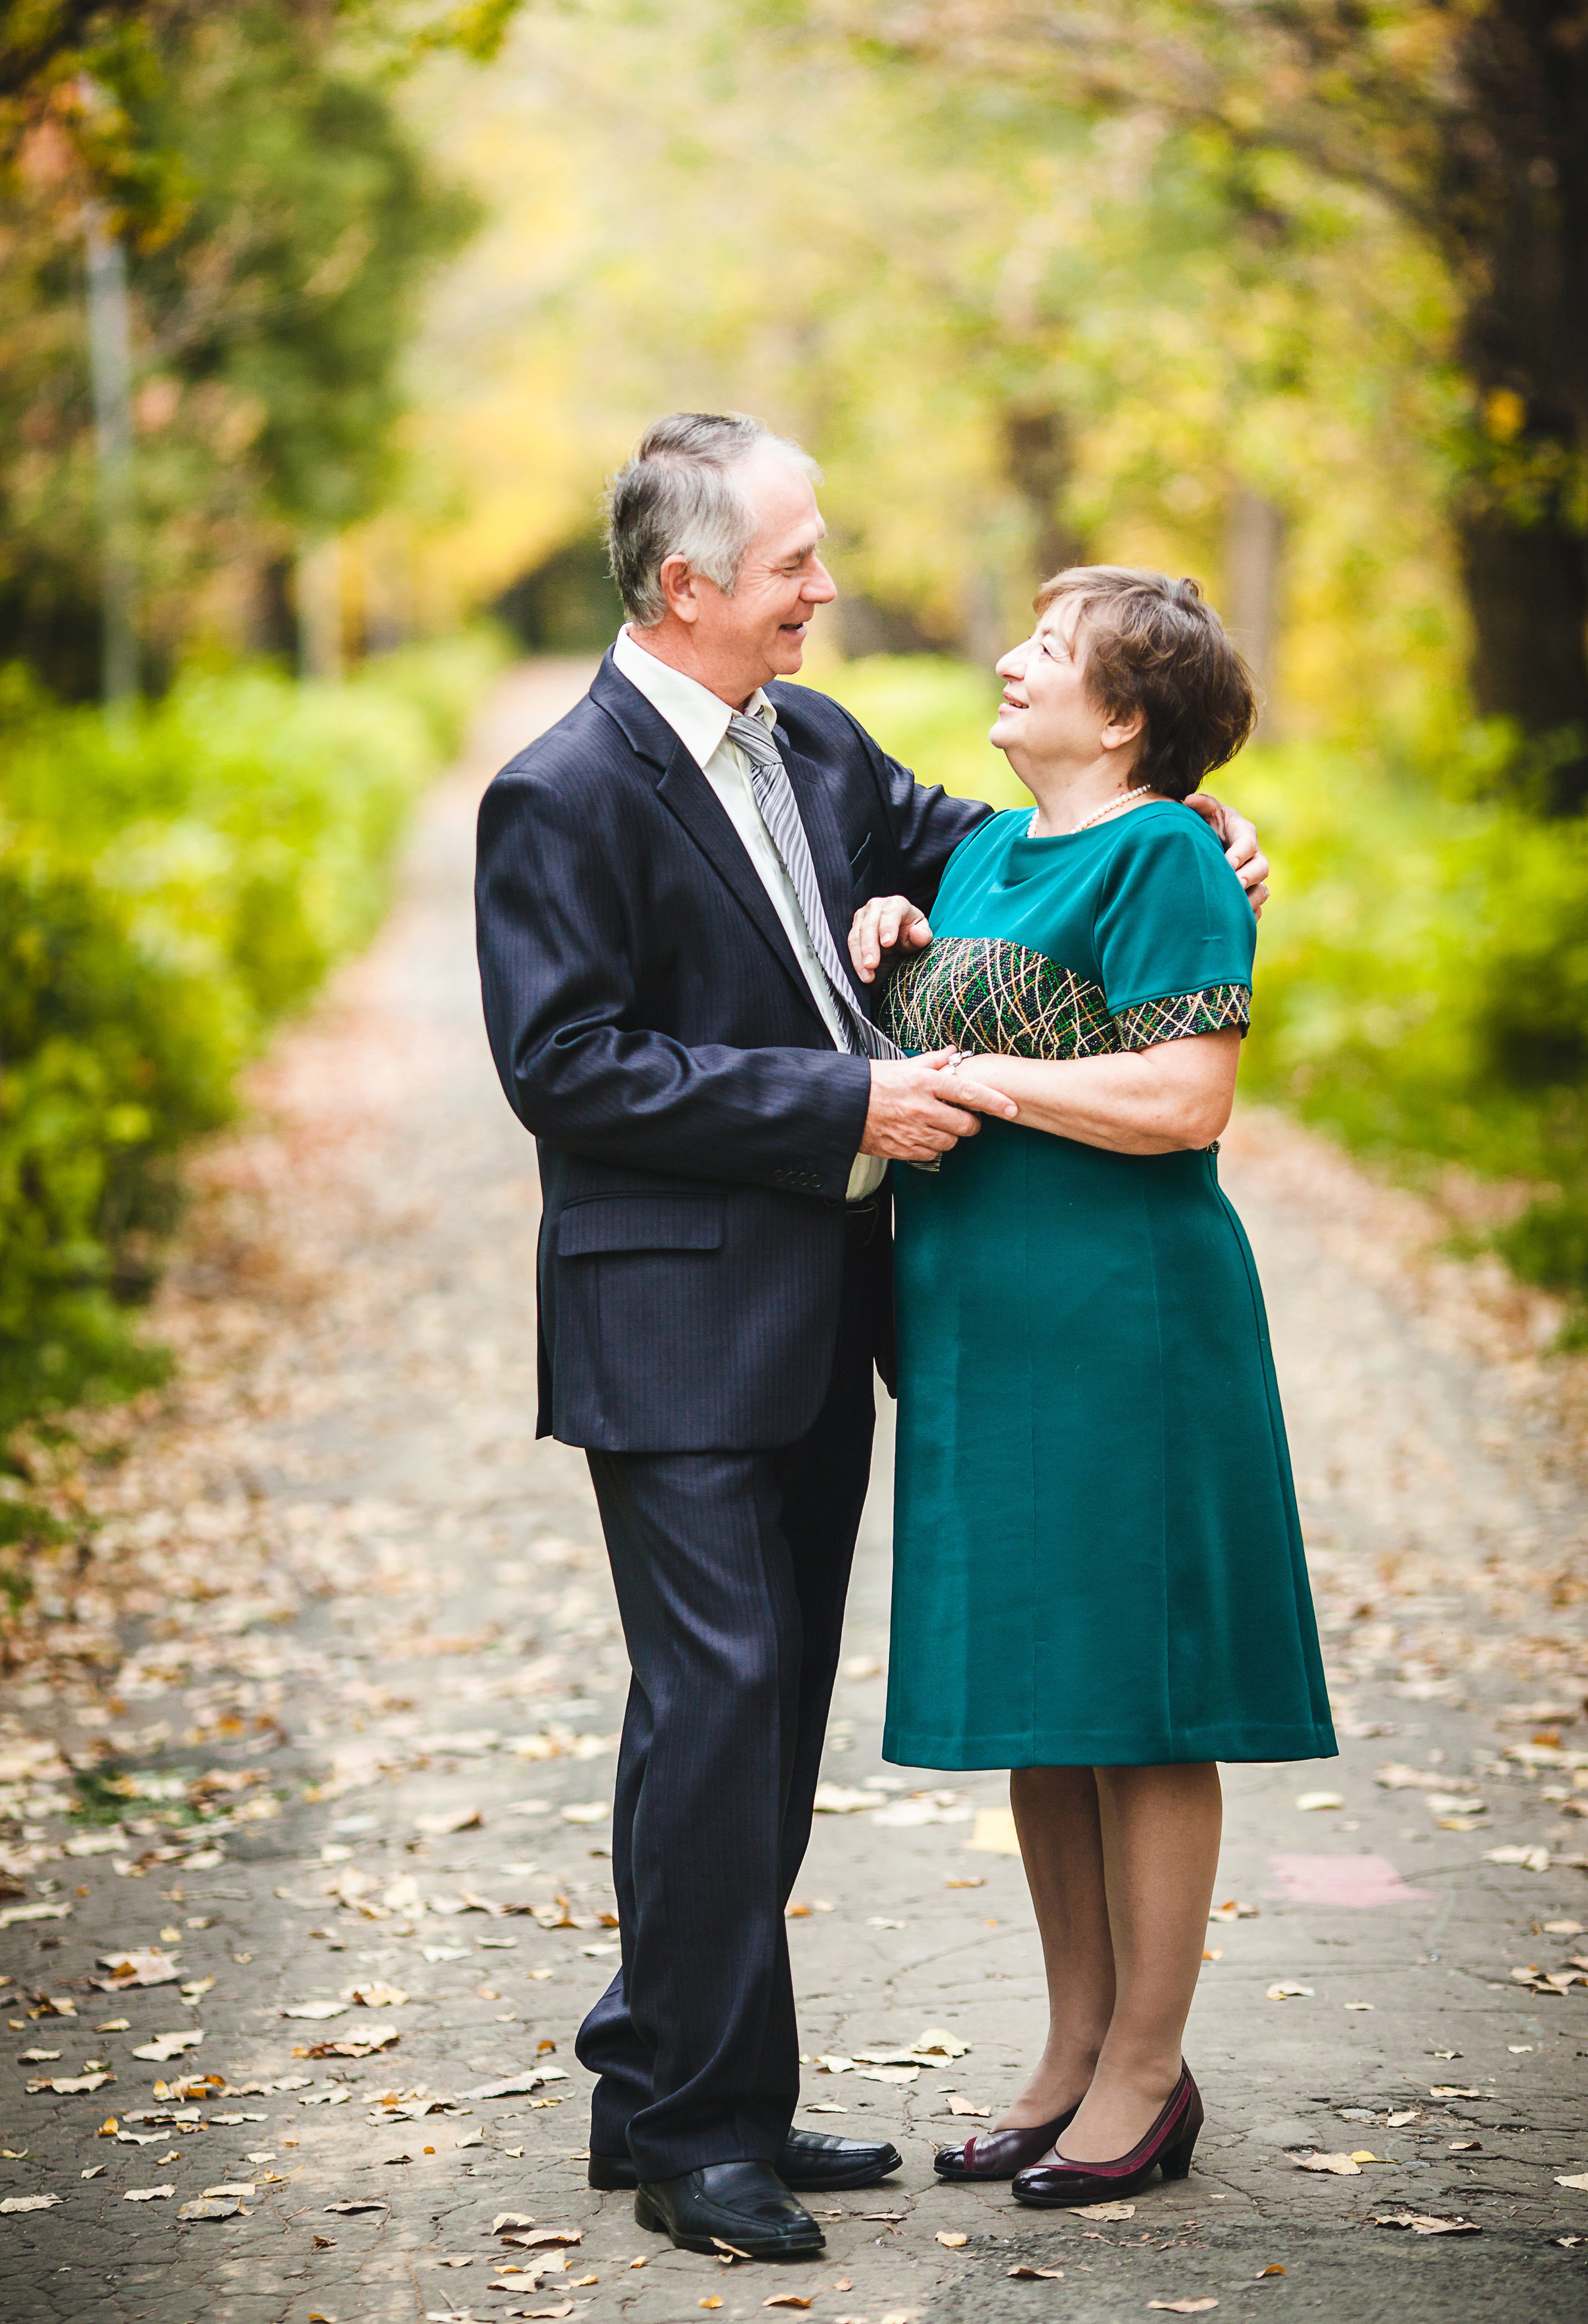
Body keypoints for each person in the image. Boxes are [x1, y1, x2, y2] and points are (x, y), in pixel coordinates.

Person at [475, 419, 1271, 2261]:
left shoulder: (814, 743)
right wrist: (844, 1099)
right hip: (669, 1322)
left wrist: (1200, 818)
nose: (823, 591)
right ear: (691, 585)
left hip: (831, 1316)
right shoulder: (563, 790)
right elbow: (566, 1064)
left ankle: (659, 2074)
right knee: (720, 1705)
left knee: (747, 1721)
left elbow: (1030, 854)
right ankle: (701, 2134)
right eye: (795, 565)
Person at [849, 565, 1335, 2209]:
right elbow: (933, 996)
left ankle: (1148, 2066)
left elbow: (1187, 1100)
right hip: (981, 1330)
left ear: (1123, 717)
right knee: (1043, 1704)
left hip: (1128, 1325)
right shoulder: (982, 851)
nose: (1010, 659)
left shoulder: (1171, 856)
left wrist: (976, 1072)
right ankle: (1069, 2050)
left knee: (1142, 1700)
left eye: (1049, 650)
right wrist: (885, 942)